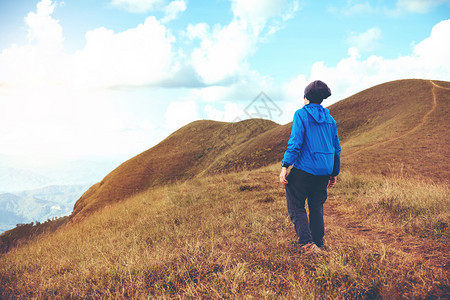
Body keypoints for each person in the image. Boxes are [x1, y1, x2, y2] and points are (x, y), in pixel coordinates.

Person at [279, 80, 341, 255]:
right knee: (316, 206)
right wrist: (334, 172)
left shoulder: (301, 115)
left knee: (296, 205)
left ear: (306, 97)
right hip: (324, 171)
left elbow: (295, 142)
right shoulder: (330, 120)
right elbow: (336, 147)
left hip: (304, 169)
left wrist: (285, 166)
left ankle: (307, 245)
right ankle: (318, 243)